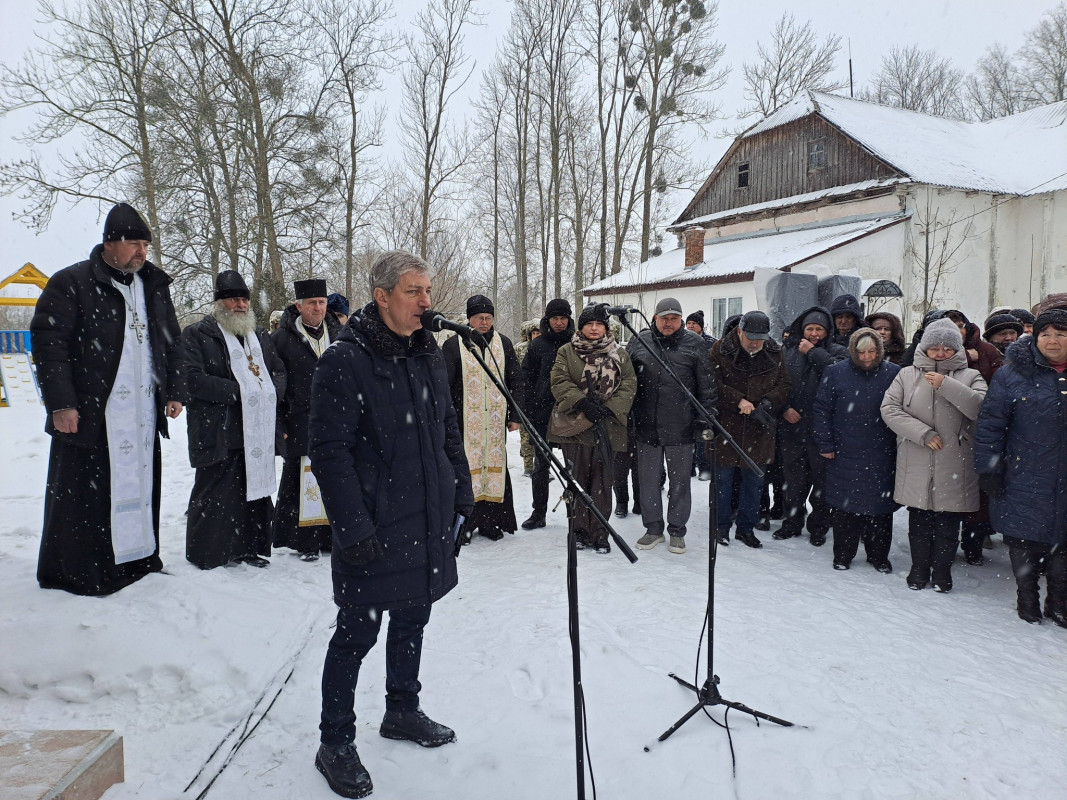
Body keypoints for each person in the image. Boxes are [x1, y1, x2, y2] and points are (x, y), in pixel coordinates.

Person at [308, 250, 474, 799]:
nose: (427, 303)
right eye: (414, 292)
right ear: (381, 298)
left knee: (412, 619)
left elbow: (448, 425)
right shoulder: (344, 360)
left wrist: (461, 492)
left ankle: (401, 709)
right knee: (356, 634)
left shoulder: (426, 352)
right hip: (375, 525)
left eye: (428, 291)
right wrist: (354, 529)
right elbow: (328, 453)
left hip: (425, 517)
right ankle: (334, 741)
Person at [33, 203, 183, 596]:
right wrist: (61, 404)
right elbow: (50, 345)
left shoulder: (153, 285)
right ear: (110, 243)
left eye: (145, 245)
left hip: (141, 413)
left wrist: (174, 390)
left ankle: (138, 558)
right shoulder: (71, 282)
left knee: (139, 486)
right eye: (134, 243)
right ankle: (84, 571)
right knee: (88, 495)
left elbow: (171, 342)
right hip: (92, 412)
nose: (141, 252)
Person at [180, 271, 286, 569]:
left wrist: (269, 391)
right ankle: (209, 553)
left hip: (256, 429)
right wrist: (240, 391)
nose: (239, 305)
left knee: (252, 493)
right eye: (233, 299)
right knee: (216, 493)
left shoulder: (260, 336)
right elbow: (190, 379)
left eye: (243, 299)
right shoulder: (197, 334)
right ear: (219, 303)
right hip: (218, 428)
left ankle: (248, 548)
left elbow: (278, 371)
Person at [975, 309, 1067, 626]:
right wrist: (989, 467)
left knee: (1063, 543)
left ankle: (1059, 602)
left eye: (1061, 333)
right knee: (1024, 539)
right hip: (1024, 471)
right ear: (1036, 337)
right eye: (1046, 334)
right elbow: (991, 425)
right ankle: (1026, 597)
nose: (1053, 340)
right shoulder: (1012, 373)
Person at [881, 319, 987, 592]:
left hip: (955, 461)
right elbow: (890, 409)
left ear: (957, 349)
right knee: (920, 520)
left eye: (947, 348)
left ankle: (942, 571)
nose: (940, 353)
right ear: (924, 348)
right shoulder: (906, 375)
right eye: (934, 347)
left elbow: (980, 409)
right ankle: (918, 569)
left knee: (948, 523)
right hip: (916, 456)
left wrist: (946, 385)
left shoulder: (971, 376)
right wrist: (923, 434)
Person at [628, 298, 717, 554]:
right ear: (655, 318)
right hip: (647, 426)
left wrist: (705, 417)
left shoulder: (695, 344)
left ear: (681, 320)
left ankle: (677, 529)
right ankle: (653, 528)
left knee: (680, 483)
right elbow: (628, 382)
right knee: (648, 481)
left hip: (681, 426)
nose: (669, 323)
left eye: (674, 318)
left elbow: (707, 385)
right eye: (664, 317)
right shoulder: (640, 341)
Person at [548, 303, 637, 552]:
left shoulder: (620, 353)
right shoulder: (567, 351)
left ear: (606, 328)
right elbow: (559, 380)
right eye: (589, 324)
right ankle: (578, 531)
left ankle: (600, 533)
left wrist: (608, 408)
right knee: (577, 482)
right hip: (577, 426)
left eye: (599, 324)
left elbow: (629, 384)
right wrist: (582, 402)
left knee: (602, 483)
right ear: (582, 327)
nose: (595, 328)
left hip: (607, 427)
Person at [813, 328, 900, 571]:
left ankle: (878, 555)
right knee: (845, 507)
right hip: (844, 450)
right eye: (861, 352)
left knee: (880, 509)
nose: (866, 357)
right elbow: (821, 410)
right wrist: (826, 444)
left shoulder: (894, 374)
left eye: (872, 351)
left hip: (883, 451)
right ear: (853, 351)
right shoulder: (835, 373)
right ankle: (843, 554)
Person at [271, 278, 343, 561]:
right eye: (311, 303)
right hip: (299, 420)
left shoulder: (340, 333)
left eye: (322, 302)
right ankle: (305, 541)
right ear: (298, 306)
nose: (317, 308)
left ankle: (332, 536)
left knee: (336, 478)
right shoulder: (280, 339)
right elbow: (274, 385)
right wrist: (281, 425)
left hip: (337, 420)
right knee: (300, 481)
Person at [442, 295, 521, 542]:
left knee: (493, 472)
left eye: (488, 318)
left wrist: (515, 414)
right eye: (479, 318)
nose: (484, 322)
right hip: (464, 423)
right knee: (466, 473)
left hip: (495, 424)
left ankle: (490, 522)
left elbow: (516, 380)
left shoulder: (504, 343)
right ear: (469, 319)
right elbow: (443, 385)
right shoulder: (454, 345)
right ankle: (465, 524)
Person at [710, 311, 791, 548]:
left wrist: (768, 402)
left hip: (759, 428)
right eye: (750, 336)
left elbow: (785, 383)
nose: (755, 342)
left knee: (754, 483)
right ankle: (721, 527)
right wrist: (737, 399)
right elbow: (711, 382)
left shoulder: (775, 353)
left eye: (760, 337)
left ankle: (746, 528)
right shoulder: (720, 350)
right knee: (723, 482)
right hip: (727, 426)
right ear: (739, 331)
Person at [775, 306, 847, 544]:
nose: (814, 333)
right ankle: (792, 522)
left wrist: (814, 352)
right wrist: (784, 408)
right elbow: (777, 383)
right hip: (791, 427)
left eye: (819, 329)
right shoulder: (787, 350)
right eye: (810, 328)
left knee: (821, 484)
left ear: (827, 331)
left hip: (823, 430)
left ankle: (818, 527)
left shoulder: (838, 351)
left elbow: (838, 375)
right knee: (793, 481)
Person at [519, 298, 575, 529]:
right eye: (555, 318)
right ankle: (538, 513)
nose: (559, 323)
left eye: (563, 318)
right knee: (541, 466)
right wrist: (527, 409)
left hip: (572, 413)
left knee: (574, 466)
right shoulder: (537, 345)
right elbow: (526, 379)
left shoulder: (577, 343)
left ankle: (576, 512)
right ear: (547, 320)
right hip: (542, 414)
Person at [944, 310, 1003, 383]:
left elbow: (999, 382)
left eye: (960, 326)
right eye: (951, 327)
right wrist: (966, 356)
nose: (957, 331)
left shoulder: (988, 350)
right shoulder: (937, 350)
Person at [514, 319, 541, 476]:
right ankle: (528, 466)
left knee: (541, 435)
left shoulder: (545, 348)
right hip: (524, 396)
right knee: (525, 433)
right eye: (534, 333)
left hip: (541, 396)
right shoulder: (520, 349)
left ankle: (541, 464)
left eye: (539, 333)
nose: (536, 336)